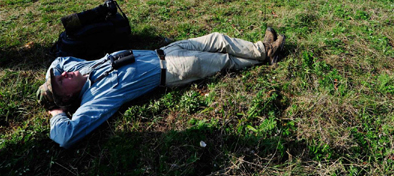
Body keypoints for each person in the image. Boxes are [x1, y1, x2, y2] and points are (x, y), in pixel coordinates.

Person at [37, 29, 285, 148]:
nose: (64, 74)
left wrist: (51, 82)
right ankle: (265, 53)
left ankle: (262, 49)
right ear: (68, 96)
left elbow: (57, 63)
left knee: (218, 39)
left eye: (58, 77)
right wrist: (56, 112)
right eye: (61, 81)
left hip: (167, 50)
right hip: (174, 69)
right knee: (224, 61)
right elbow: (65, 136)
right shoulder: (96, 97)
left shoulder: (83, 68)